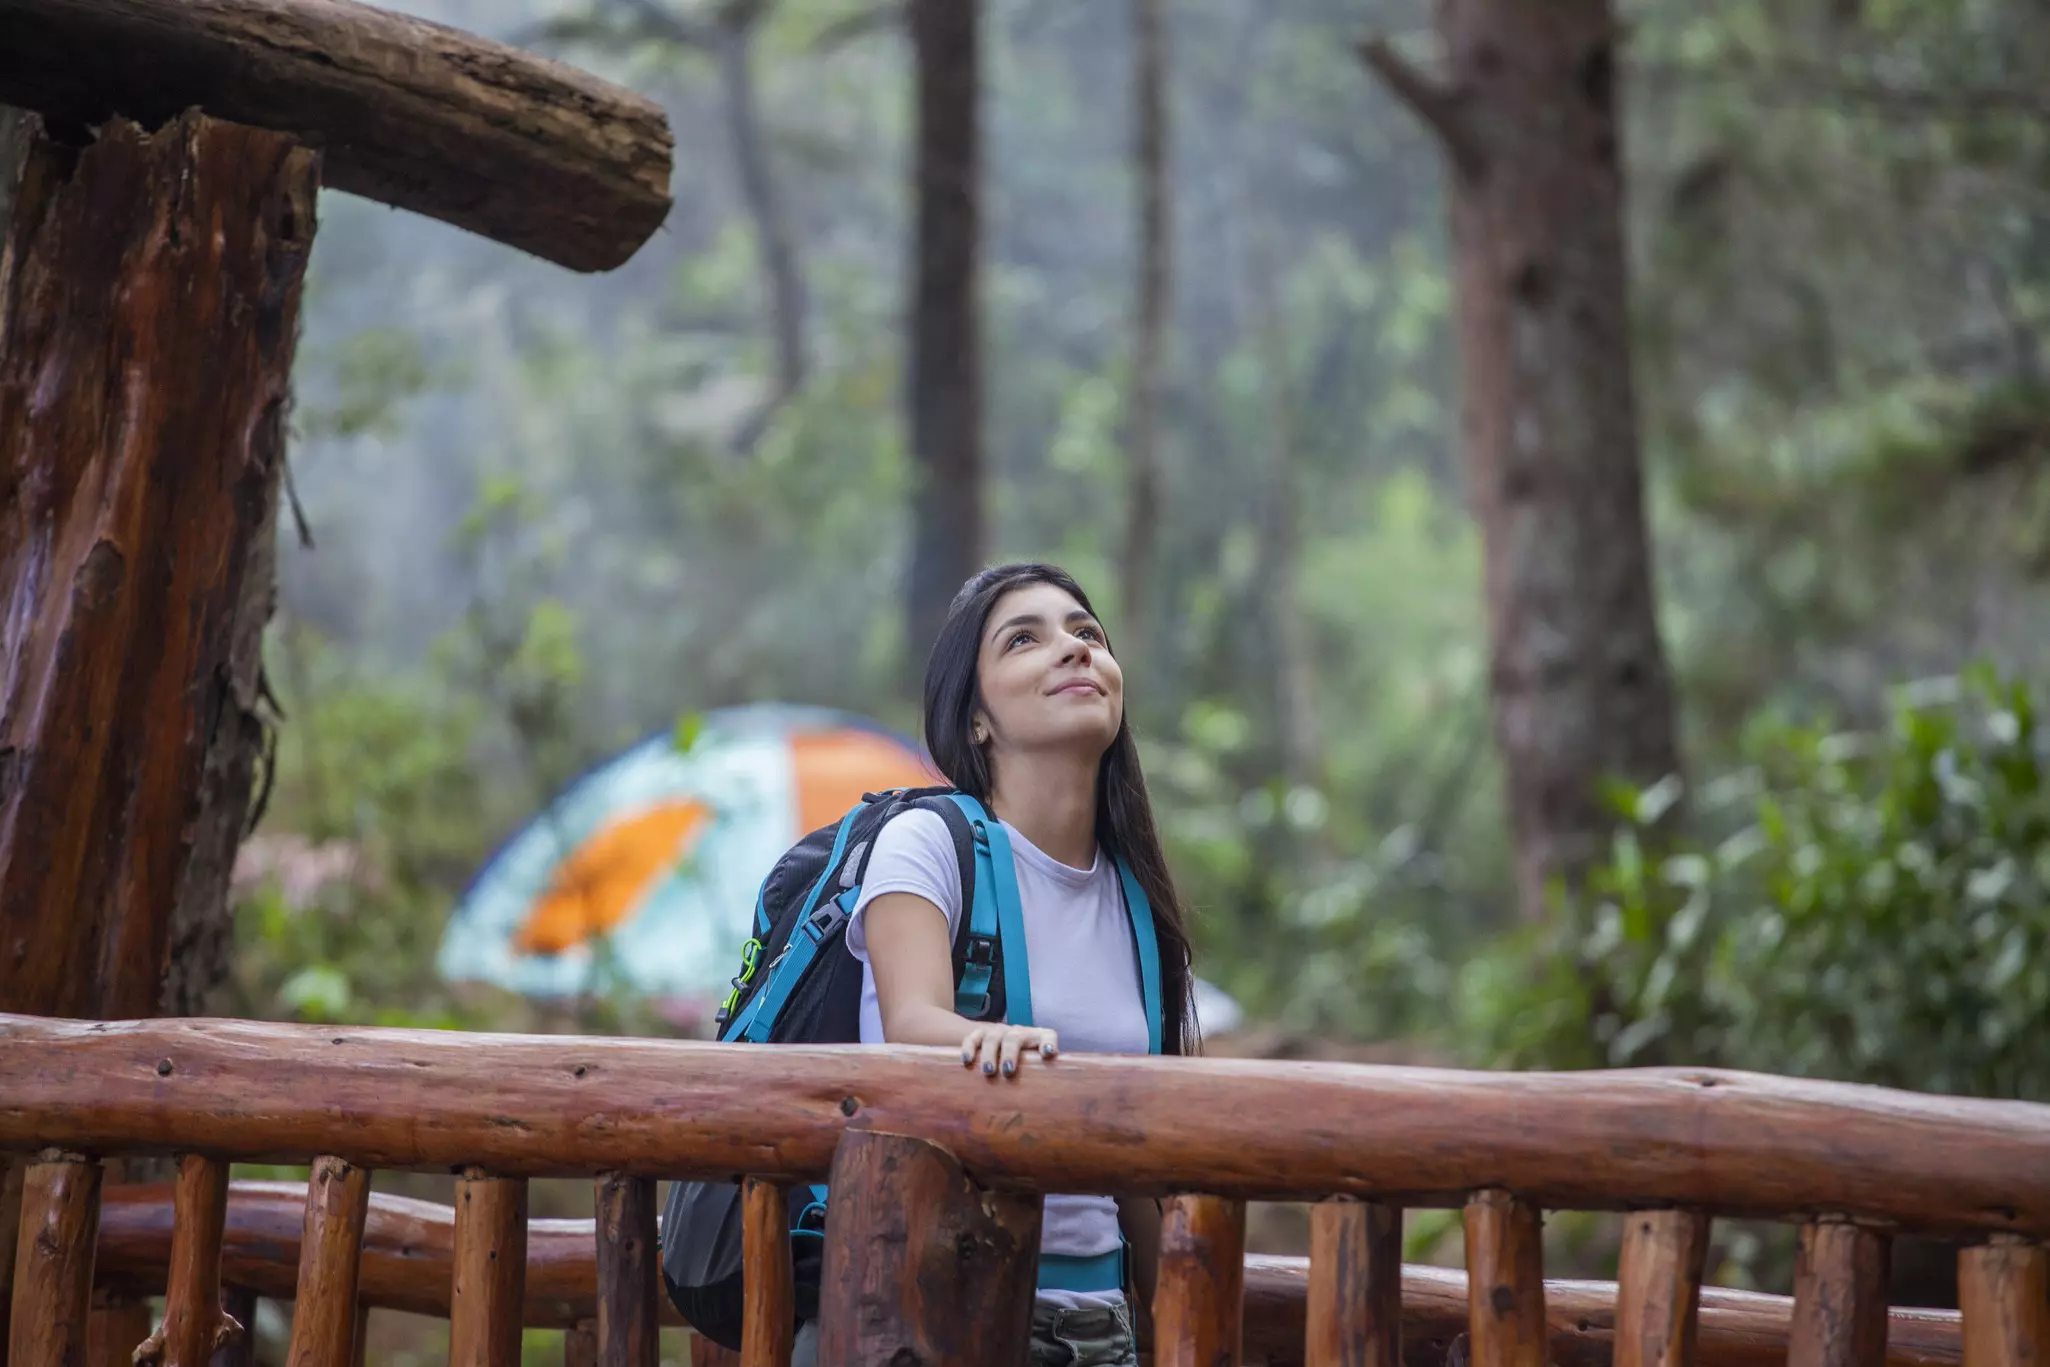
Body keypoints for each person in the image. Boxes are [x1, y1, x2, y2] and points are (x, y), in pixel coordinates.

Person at [790, 562, 1200, 1367]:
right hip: (932, 1314)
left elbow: (1143, 1165)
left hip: (1099, 1327)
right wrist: (991, 1042)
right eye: (1026, 639)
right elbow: (910, 1022)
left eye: (1088, 634)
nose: (1074, 651)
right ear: (976, 718)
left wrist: (1182, 1332)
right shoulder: (928, 842)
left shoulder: (1136, 893)